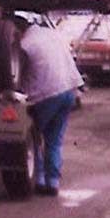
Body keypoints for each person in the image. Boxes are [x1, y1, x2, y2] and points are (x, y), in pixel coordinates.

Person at [14, 15, 83, 197]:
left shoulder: (25, 44)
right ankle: (53, 182)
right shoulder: (51, 34)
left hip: (47, 95)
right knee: (54, 140)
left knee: (34, 136)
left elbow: (18, 75)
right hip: (69, 90)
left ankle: (40, 180)